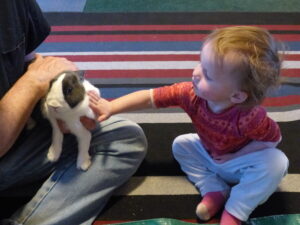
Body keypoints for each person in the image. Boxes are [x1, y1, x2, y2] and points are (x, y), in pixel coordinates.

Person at [88, 26, 289, 225]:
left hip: (239, 162)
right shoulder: (190, 94)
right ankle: (213, 189)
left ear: (236, 96)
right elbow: (150, 97)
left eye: (208, 75)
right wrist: (112, 107)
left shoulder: (250, 116)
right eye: (200, 64)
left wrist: (235, 156)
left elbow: (273, 139)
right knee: (181, 144)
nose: (196, 73)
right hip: (210, 155)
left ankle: (236, 210)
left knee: (276, 162)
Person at [0, 0, 147, 224]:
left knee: (123, 137)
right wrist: (34, 82)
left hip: (14, 132)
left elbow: (29, 60)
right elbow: (35, 76)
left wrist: (64, 97)